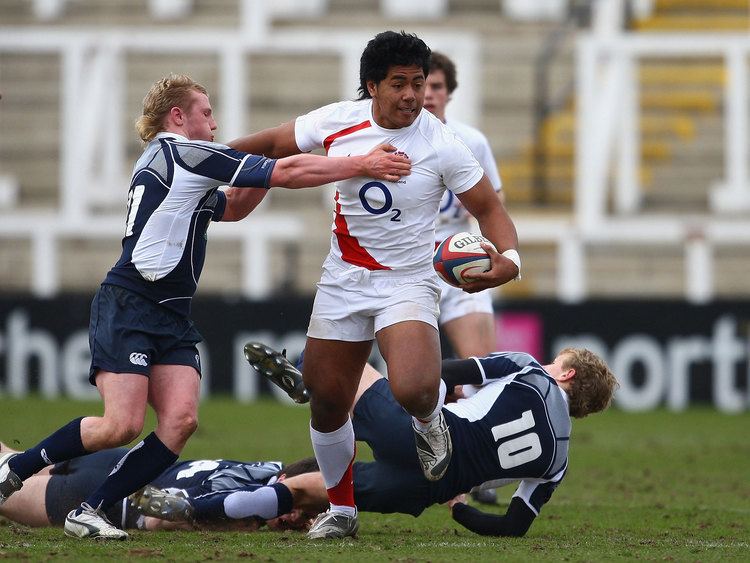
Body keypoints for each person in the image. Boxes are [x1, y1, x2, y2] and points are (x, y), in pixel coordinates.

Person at [0, 73, 411, 541]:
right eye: (206, 112)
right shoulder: (181, 152)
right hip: (131, 303)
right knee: (120, 425)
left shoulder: (182, 167)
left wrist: (269, 155)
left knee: (180, 421)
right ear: (178, 116)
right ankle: (16, 469)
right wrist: (360, 163)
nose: (214, 124)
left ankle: (90, 509)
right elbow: (290, 174)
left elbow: (233, 207)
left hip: (171, 315)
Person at [227, 30, 521, 539]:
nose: (412, 95)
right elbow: (272, 144)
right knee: (325, 399)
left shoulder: (441, 143)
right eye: (400, 84)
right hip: (343, 279)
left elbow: (489, 208)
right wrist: (202, 159)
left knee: (413, 386)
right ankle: (342, 512)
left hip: (407, 280)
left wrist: (510, 260)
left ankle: (432, 426)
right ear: (372, 86)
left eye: (418, 83)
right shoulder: (338, 120)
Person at [140, 341, 618, 537]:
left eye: (560, 362)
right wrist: (458, 508)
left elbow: (446, 370)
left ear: (567, 373)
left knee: (341, 360)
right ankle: (197, 510)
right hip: (424, 489)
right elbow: (514, 526)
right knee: (309, 489)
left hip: (424, 433)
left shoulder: (528, 369)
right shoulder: (558, 458)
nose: (551, 363)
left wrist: (445, 392)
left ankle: (313, 381)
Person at [0, 441, 319, 532]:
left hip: (116, 459)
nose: (295, 519)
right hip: (108, 497)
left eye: (304, 518)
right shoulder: (247, 500)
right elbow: (156, 514)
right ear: (283, 485)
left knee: (8, 464)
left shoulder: (270, 468)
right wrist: (224, 525)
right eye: (296, 508)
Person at [426, 51, 504, 361]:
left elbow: (496, 204)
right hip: (409, 264)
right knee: (414, 383)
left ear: (450, 92)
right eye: (424, 86)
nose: (430, 94)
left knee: (481, 369)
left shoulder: (472, 141)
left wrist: (478, 204)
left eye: (438, 86)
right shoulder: (394, 141)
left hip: (461, 259)